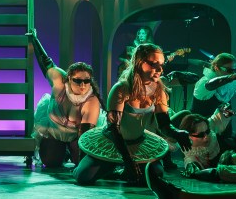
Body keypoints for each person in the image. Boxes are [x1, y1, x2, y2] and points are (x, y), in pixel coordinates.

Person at [73, 43, 192, 186]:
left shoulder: (158, 90)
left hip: (138, 142)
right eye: (154, 64)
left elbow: (164, 125)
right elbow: (113, 129)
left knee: (156, 174)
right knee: (83, 177)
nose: (160, 69)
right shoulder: (121, 88)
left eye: (161, 64)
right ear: (139, 62)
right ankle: (113, 167)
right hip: (113, 141)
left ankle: (121, 172)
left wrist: (177, 133)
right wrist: (128, 160)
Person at [26, 30, 103, 169]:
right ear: (69, 79)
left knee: (81, 162)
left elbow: (85, 136)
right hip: (54, 131)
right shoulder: (60, 82)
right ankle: (62, 151)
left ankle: (70, 151)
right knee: (51, 162)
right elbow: (46, 61)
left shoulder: (91, 101)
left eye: (86, 81)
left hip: (77, 137)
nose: (83, 85)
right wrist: (35, 41)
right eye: (78, 81)